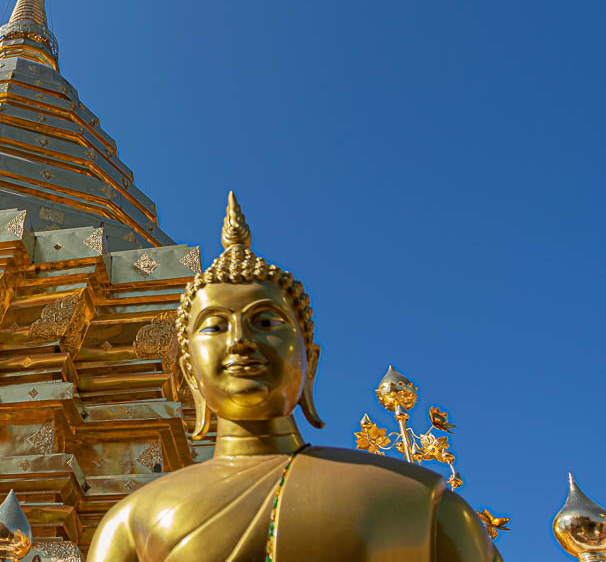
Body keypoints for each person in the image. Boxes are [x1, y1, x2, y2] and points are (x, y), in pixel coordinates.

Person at [88, 192, 501, 562]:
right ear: (188, 374)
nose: (240, 341)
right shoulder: (131, 525)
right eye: (214, 326)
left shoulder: (419, 503)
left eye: (265, 322)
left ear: (311, 363)